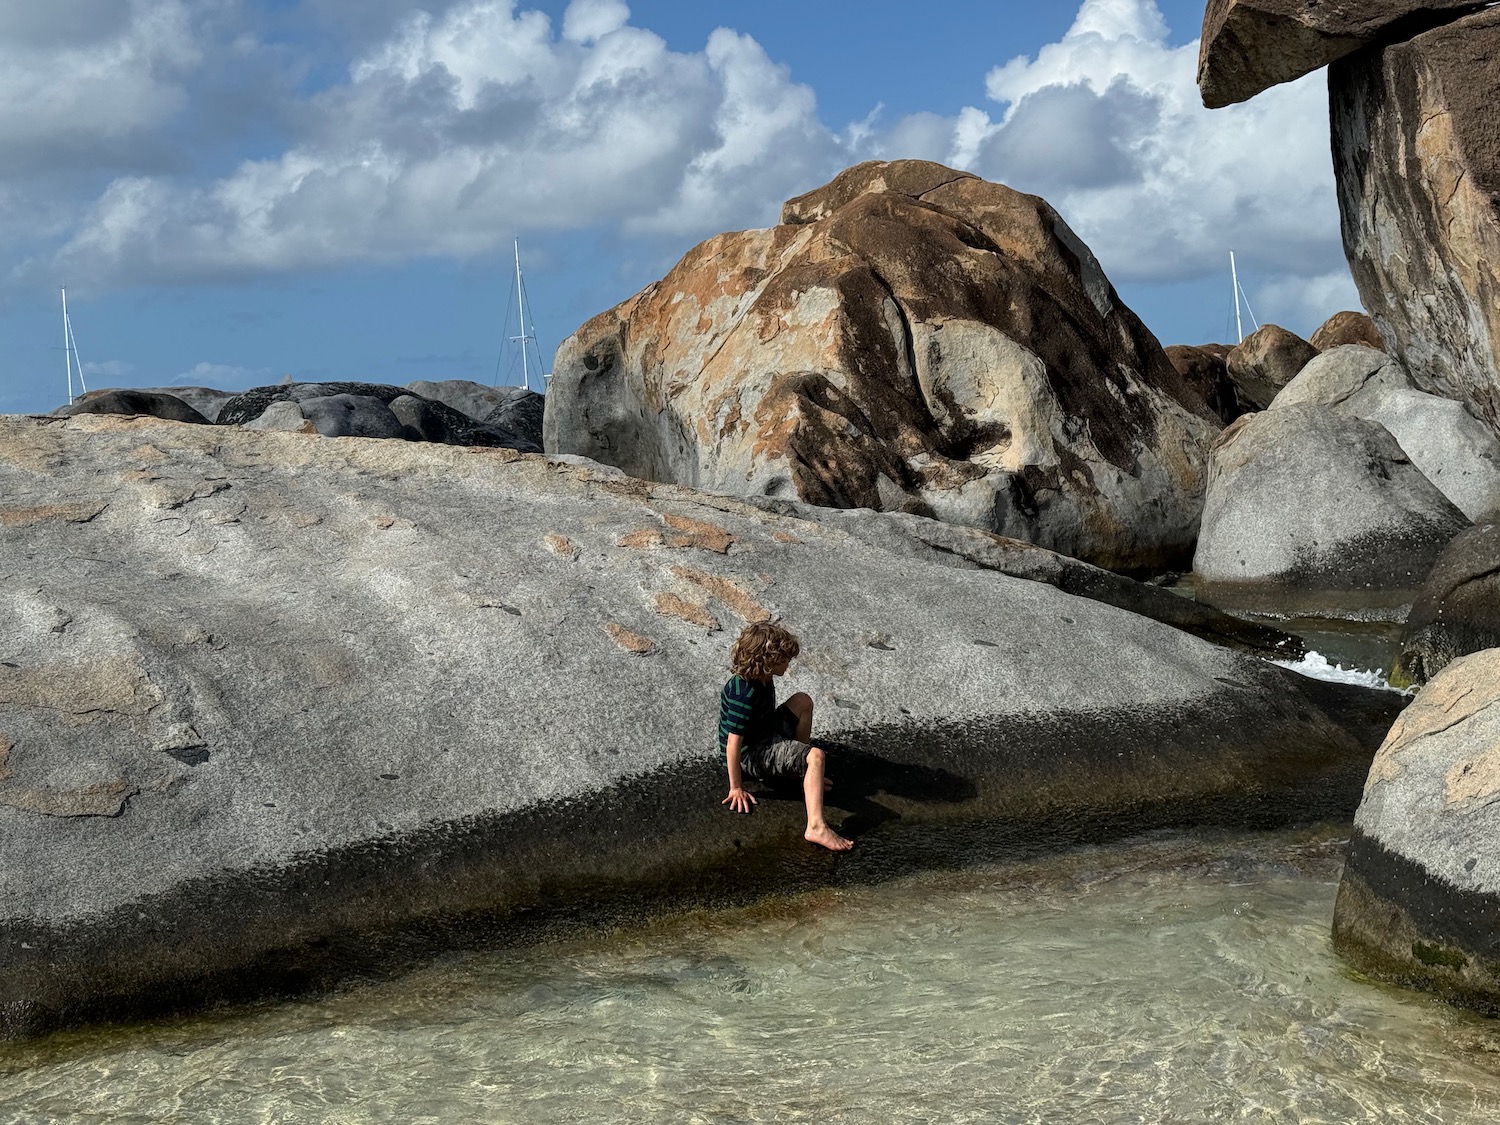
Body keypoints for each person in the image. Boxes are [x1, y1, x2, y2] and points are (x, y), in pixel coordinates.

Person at [718, 620, 852, 852]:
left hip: (765, 731)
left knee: (803, 701)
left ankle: (801, 770)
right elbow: (733, 744)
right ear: (767, 661)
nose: (789, 664)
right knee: (816, 756)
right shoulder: (744, 694)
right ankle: (816, 827)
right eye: (785, 659)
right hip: (752, 755)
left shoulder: (762, 677)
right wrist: (736, 787)